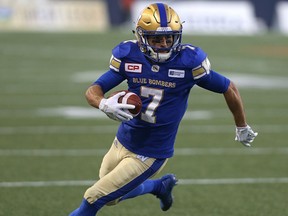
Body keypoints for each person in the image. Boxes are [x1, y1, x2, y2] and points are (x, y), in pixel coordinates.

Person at [69, 3, 258, 216]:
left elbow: (228, 87)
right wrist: (103, 104)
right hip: (122, 140)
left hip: (151, 152)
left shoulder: (188, 62)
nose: (164, 44)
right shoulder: (129, 55)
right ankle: (159, 186)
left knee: (93, 197)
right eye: (156, 39)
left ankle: (154, 184)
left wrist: (241, 125)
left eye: (169, 38)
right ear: (141, 37)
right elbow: (94, 90)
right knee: (113, 196)